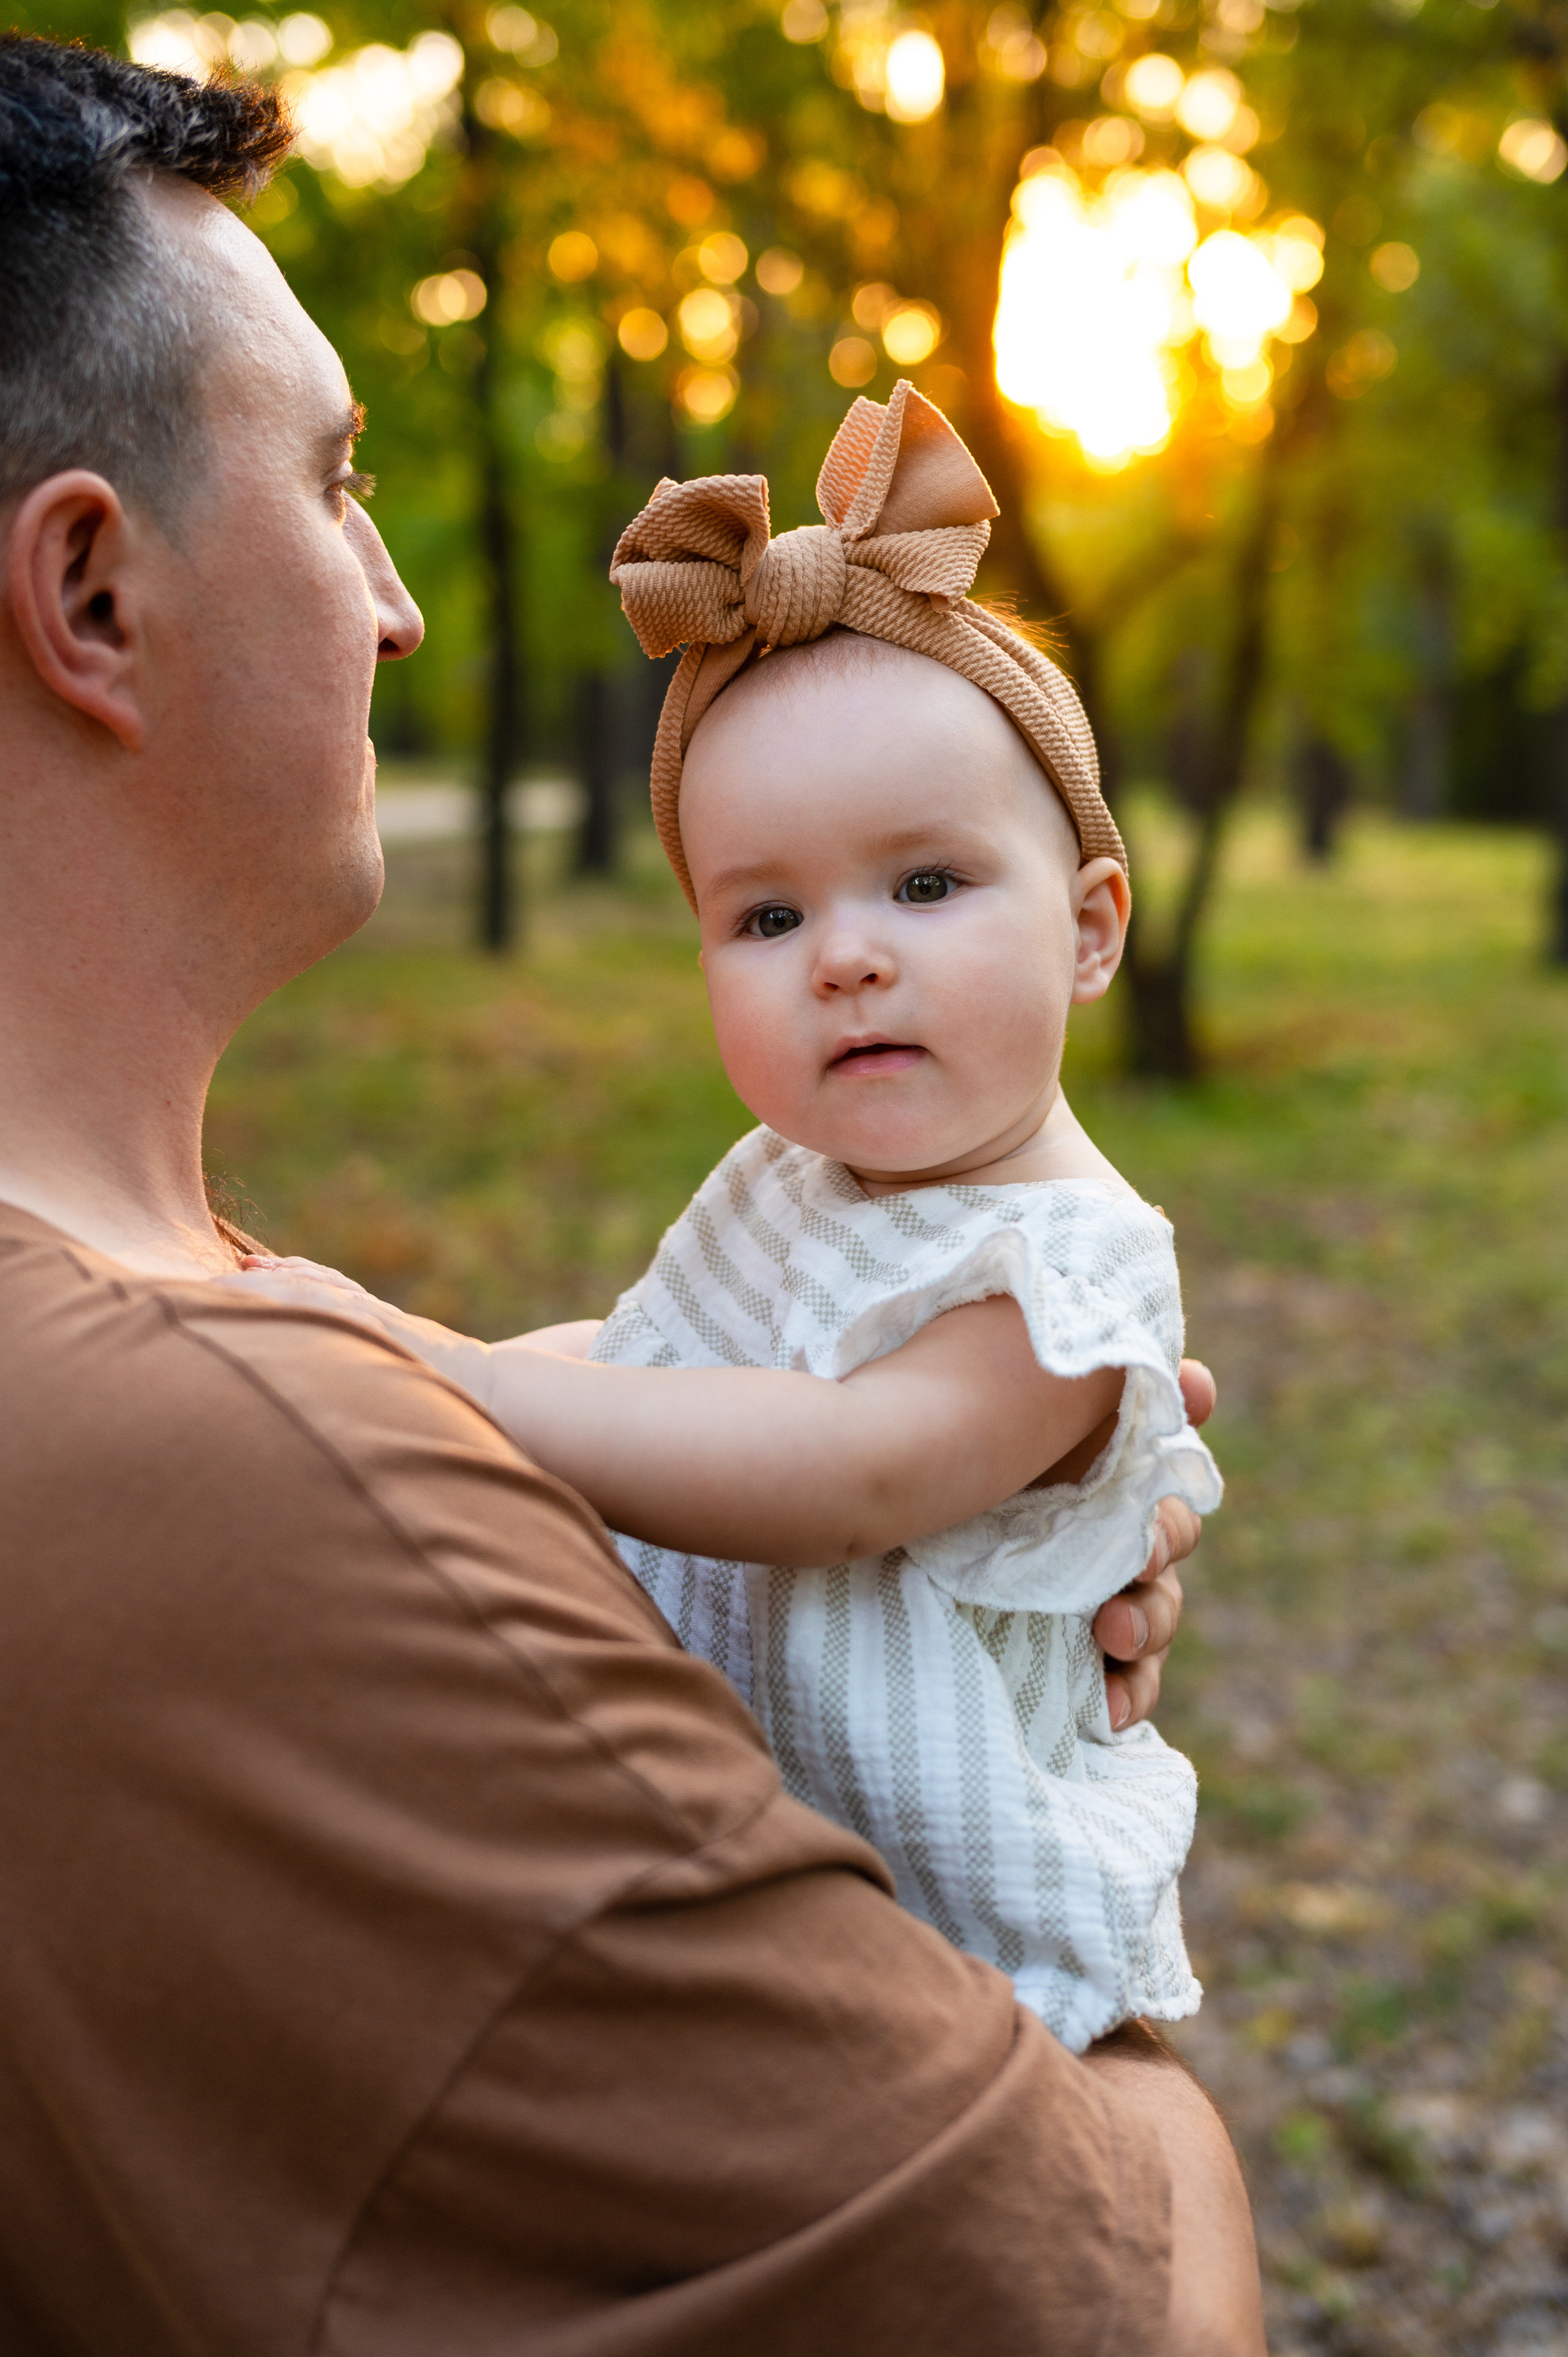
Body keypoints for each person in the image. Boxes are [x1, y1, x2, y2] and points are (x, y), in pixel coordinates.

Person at [0, 31, 1265, 2356]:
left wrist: (985, 1551)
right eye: (336, 479)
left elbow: (799, 1443)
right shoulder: (228, 1457)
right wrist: (1168, 2121)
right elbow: (1096, 2302)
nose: (395, 606)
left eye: (917, 885)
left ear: (1087, 917)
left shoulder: (202, 1330)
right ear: (88, 594)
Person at [244, 389, 1223, 2055]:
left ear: (1091, 926)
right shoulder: (806, 1183)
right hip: (728, 1862)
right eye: (768, 914)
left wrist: (438, 1376)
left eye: (925, 884)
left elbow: (843, 1477)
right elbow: (649, 1365)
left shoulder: (1070, 1275)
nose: (844, 954)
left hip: (943, 1935)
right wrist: (456, 1366)